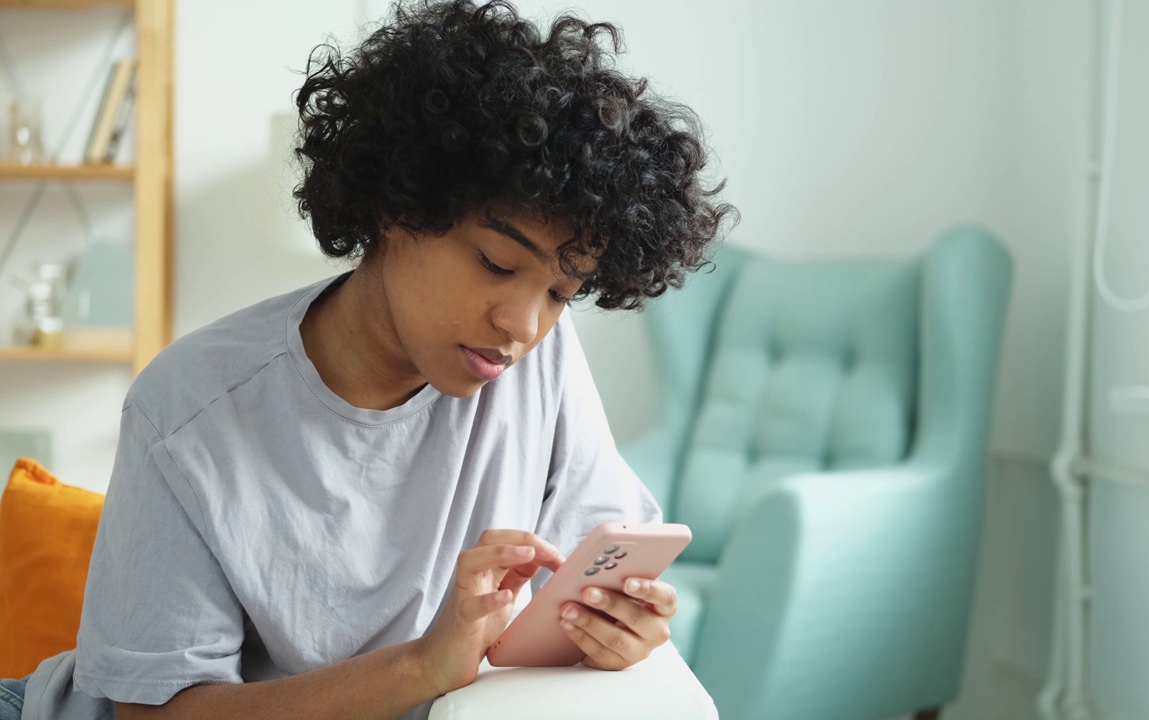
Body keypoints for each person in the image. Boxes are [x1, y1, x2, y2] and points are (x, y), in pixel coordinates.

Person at [0, 1, 734, 718]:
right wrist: (421, 666)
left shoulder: (537, 361)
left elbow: (588, 570)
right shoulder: (190, 407)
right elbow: (155, 716)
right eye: (495, 263)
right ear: (397, 207)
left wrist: (616, 628)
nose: (522, 324)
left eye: (561, 293)